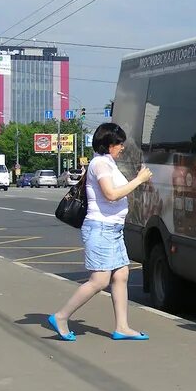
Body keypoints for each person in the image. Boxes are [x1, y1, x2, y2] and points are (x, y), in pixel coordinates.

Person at [47, 123, 154, 342]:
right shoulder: (100, 164)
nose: (121, 147)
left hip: (113, 228)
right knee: (99, 280)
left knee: (122, 274)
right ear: (107, 144)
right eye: (118, 143)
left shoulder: (108, 163)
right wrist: (138, 180)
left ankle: (122, 327)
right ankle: (61, 316)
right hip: (100, 228)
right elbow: (111, 194)